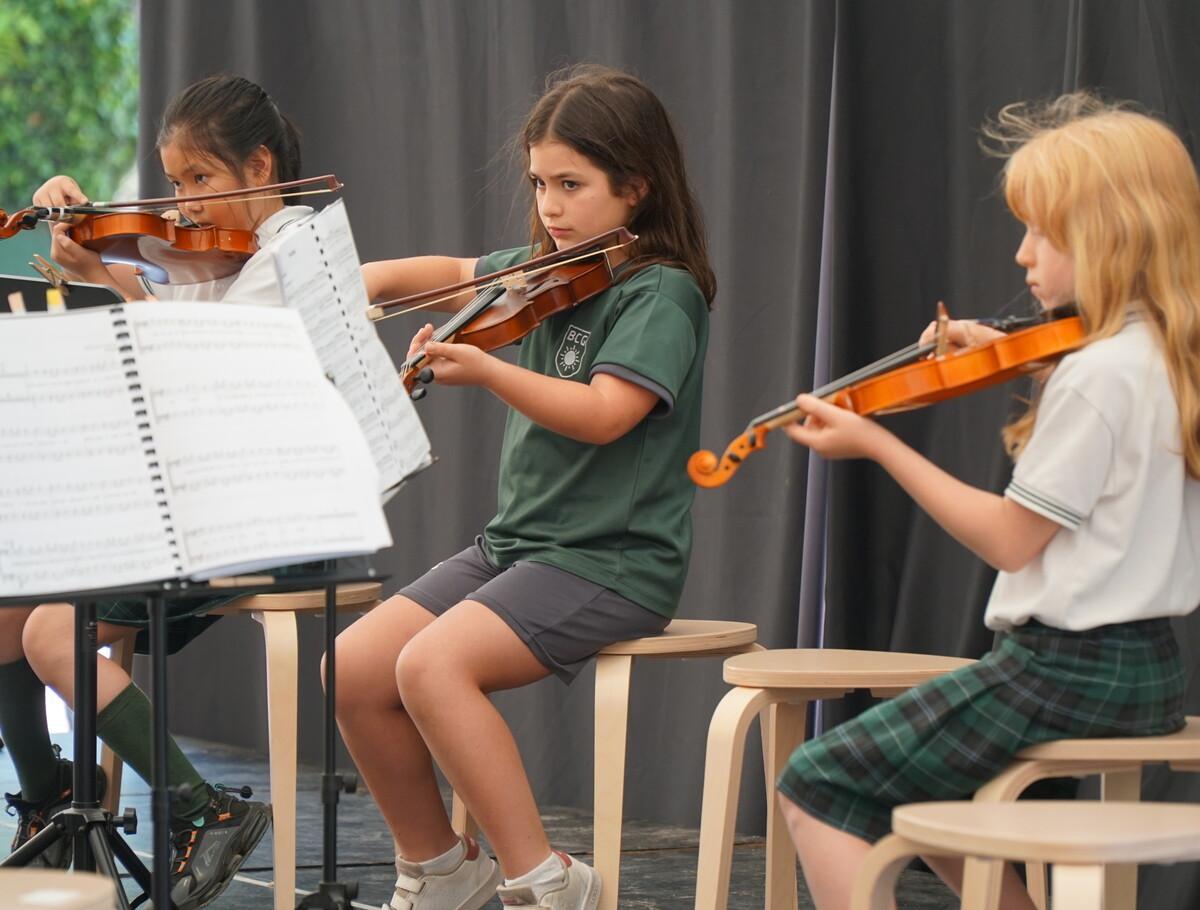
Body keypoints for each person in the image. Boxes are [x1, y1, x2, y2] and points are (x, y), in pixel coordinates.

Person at [775, 93, 1200, 909]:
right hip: (1147, 667)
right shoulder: (1155, 353)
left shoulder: (1097, 374)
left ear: (1110, 236)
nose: (1021, 255)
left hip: (1067, 669)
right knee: (921, 795)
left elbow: (1012, 540)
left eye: (1043, 232)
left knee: (817, 782)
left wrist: (877, 443)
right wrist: (1017, 356)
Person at [339, 64, 714, 910]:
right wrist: (353, 285)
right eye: (540, 182)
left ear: (636, 186)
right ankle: (441, 871)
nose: (550, 204)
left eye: (572, 184)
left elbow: (605, 414)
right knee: (353, 665)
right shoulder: (543, 269)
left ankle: (546, 879)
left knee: (431, 668)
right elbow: (444, 269)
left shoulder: (662, 291)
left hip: (610, 562)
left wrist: (489, 371)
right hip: (518, 548)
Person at [0, 74, 310, 909]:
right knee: (5, 607)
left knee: (48, 635)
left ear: (261, 164)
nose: (181, 204)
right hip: (198, 507)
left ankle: (204, 809)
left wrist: (119, 274)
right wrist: (95, 256)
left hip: (269, 516)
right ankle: (48, 806)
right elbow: (164, 336)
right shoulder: (214, 256)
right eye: (173, 183)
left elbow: (198, 375)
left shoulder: (296, 253)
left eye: (200, 180)